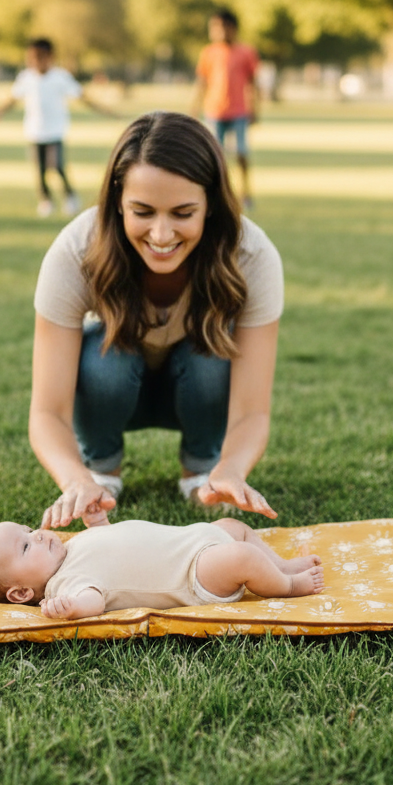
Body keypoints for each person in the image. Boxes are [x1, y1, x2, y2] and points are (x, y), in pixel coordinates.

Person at [29, 111, 284, 531]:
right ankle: (101, 470)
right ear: (118, 202)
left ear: (210, 206)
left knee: (209, 352)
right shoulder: (76, 251)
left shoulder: (251, 256)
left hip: (199, 387)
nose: (161, 235)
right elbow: (47, 412)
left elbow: (252, 412)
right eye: (143, 211)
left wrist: (232, 468)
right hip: (111, 389)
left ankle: (203, 470)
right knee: (105, 358)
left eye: (183, 213)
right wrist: (75, 479)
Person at [0, 517, 324, 619]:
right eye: (26, 546)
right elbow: (94, 601)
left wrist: (98, 523)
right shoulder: (65, 584)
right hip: (194, 575)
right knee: (242, 556)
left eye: (28, 530)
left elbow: (113, 544)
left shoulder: (70, 548)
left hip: (195, 539)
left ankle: (282, 565)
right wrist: (70, 609)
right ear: (21, 593)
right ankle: (290, 586)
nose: (38, 535)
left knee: (233, 527)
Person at [0, 37, 114, 217]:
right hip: (34, 131)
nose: (35, 62)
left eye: (39, 57)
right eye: (31, 58)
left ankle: (70, 196)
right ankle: (46, 200)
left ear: (50, 57)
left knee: (57, 166)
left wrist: (104, 110)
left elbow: (81, 96)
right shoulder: (26, 77)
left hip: (55, 131)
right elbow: (13, 98)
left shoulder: (60, 77)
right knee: (40, 170)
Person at [190, 8, 260, 209]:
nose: (216, 31)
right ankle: (218, 195)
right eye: (213, 27)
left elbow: (253, 84)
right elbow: (202, 83)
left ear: (232, 28)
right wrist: (194, 109)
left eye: (220, 27)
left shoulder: (246, 52)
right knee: (215, 156)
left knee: (241, 153)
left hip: (239, 111)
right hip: (214, 111)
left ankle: (246, 193)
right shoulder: (208, 53)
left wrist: (255, 109)